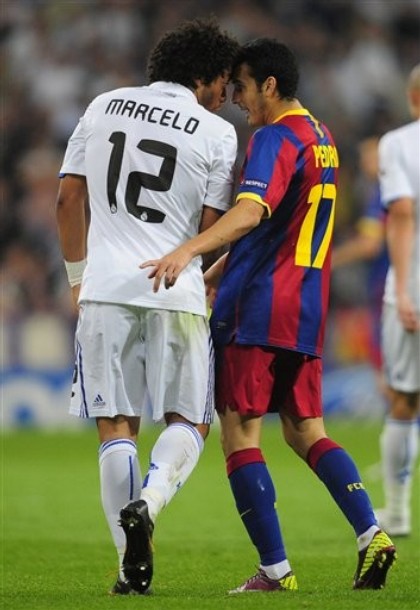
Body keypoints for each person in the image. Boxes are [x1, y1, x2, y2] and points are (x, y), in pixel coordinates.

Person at [140, 38, 397, 592]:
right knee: (306, 431)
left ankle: (275, 569)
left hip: (257, 305)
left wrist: (189, 251)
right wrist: (216, 271)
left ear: (270, 85)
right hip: (306, 305)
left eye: (242, 86)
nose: (236, 98)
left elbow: (251, 212)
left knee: (239, 433)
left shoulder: (273, 137)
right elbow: (279, 224)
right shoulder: (321, 137)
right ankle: (371, 532)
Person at [55, 18, 239, 595]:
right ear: (204, 76)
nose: (225, 94)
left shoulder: (103, 105)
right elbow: (211, 229)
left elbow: (67, 198)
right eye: (223, 81)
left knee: (116, 425)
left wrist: (78, 279)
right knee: (191, 419)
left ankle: (127, 569)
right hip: (175, 288)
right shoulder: (217, 132)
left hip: (105, 288)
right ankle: (151, 503)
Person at [374, 63, 420, 537]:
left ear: (413, 98)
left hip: (414, 291)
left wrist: (404, 289)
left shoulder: (398, 143)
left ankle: (399, 511)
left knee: (405, 399)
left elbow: (402, 214)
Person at [332, 136, 389, 394]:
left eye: (372, 157)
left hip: (388, 287)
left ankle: (402, 418)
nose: (366, 163)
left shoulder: (383, 193)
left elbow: (369, 245)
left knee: (387, 365)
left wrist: (329, 260)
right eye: (364, 157)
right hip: (401, 283)